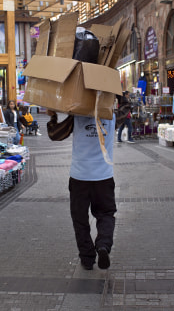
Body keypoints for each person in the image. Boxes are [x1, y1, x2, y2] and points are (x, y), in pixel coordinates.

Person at [47, 111, 116, 270]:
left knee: (80, 219)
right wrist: (119, 96)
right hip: (104, 177)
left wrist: (53, 116)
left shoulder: (76, 117)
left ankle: (87, 258)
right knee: (106, 214)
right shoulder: (112, 116)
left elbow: (55, 134)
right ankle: (103, 245)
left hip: (80, 178)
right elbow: (126, 108)